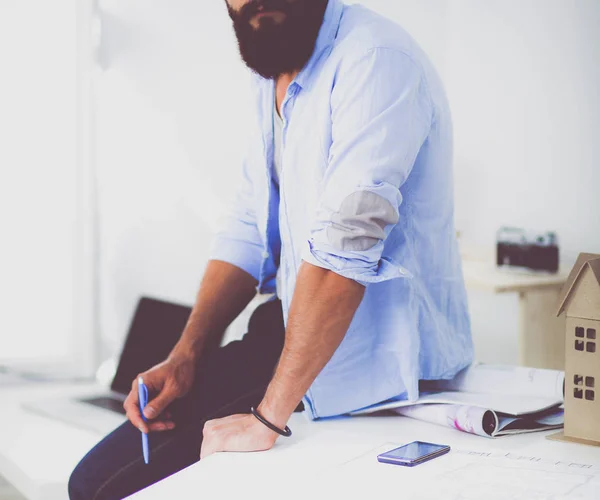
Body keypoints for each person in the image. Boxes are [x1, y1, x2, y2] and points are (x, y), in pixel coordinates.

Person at [69, 0, 473, 498]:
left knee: (113, 491)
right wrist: (187, 354)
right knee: (91, 482)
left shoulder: (374, 59)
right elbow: (247, 225)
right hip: (287, 333)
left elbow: (343, 251)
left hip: (377, 364)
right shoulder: (274, 70)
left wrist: (267, 419)